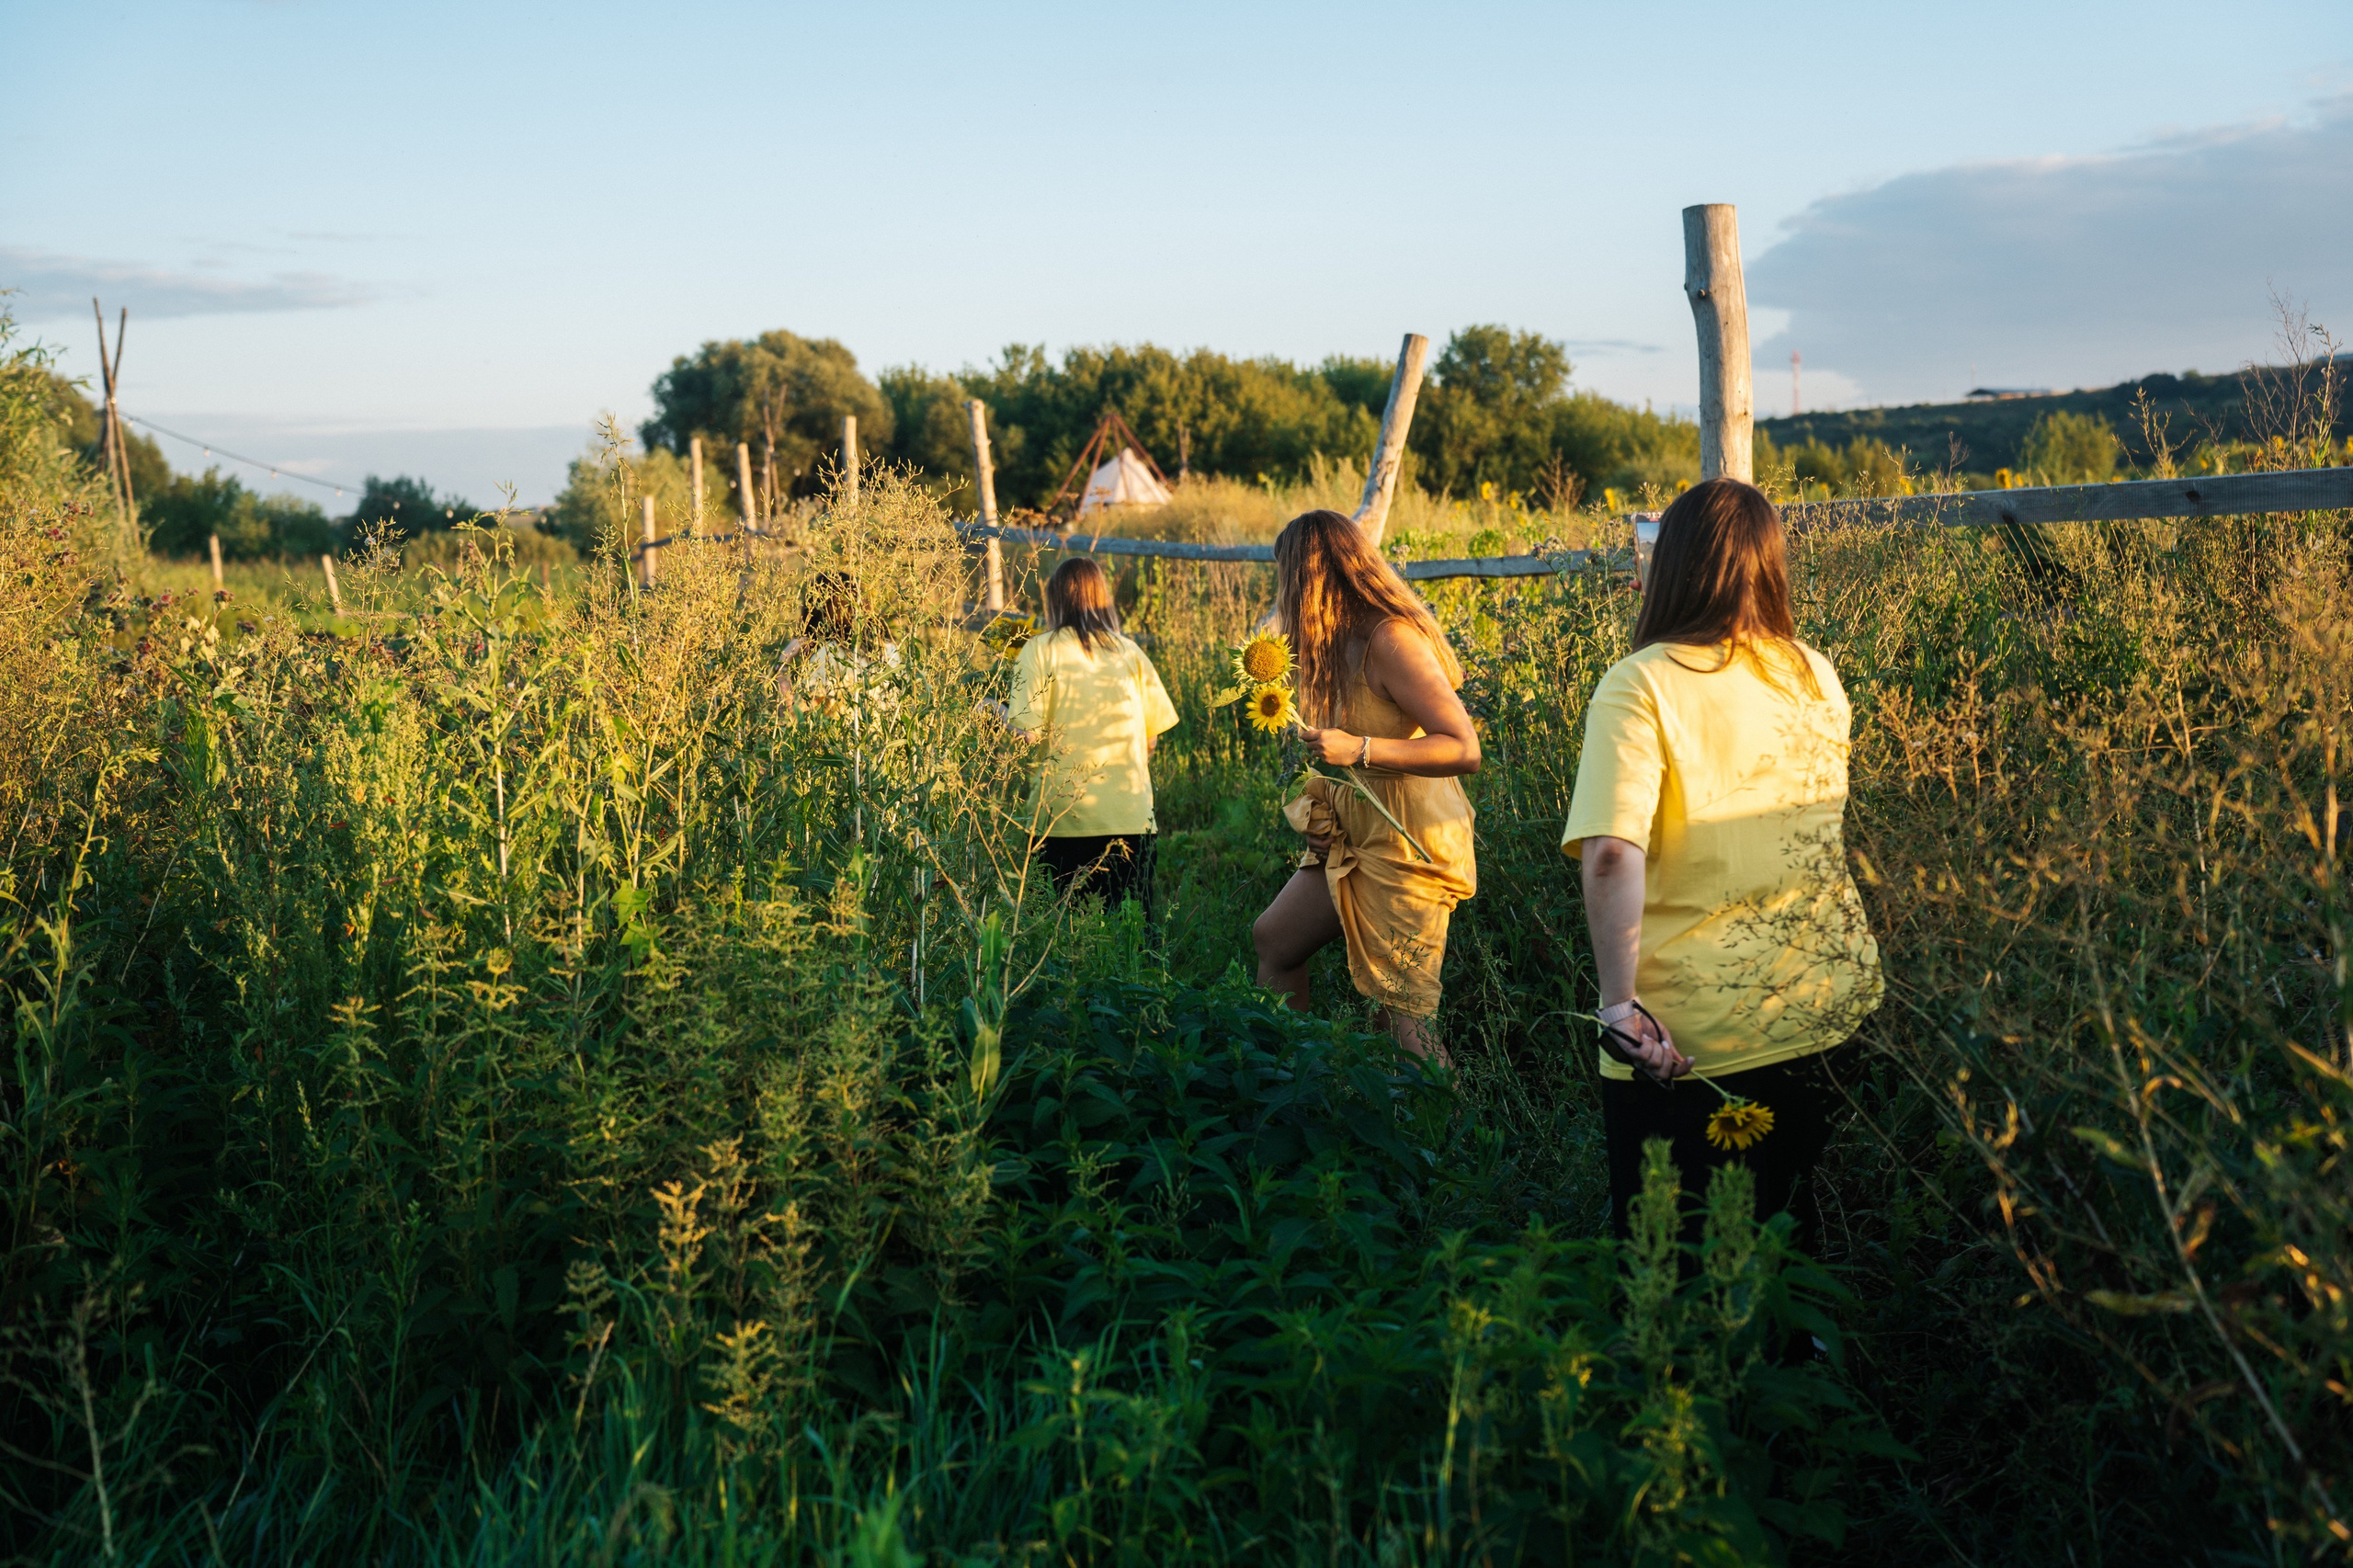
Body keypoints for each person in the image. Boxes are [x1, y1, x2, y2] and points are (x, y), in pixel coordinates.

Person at [1560, 478, 1881, 1246]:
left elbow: (1610, 854)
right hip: (1827, 1000)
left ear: (1667, 565)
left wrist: (1616, 1008)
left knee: (1679, 1266)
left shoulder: (1640, 684)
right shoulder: (1815, 673)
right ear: (1771, 566)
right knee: (1806, 1247)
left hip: (1683, 1038)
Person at [1250, 509, 1479, 1063]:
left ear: (1313, 577)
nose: (1283, 592)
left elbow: (1463, 747)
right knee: (1274, 942)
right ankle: (1290, 1082)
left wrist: (1361, 749)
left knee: (1398, 1013)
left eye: (1288, 578)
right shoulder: (1328, 643)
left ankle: (1451, 1143)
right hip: (1356, 834)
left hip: (1409, 841)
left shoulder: (1390, 640)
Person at [1005, 558, 1179, 915]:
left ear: (1055, 599)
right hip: (1131, 819)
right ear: (1103, 597)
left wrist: (992, 712)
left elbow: (1027, 735)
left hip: (1060, 819)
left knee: (1056, 937)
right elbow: (1150, 741)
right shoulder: (1129, 651)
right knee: (1134, 939)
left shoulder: (1038, 650)